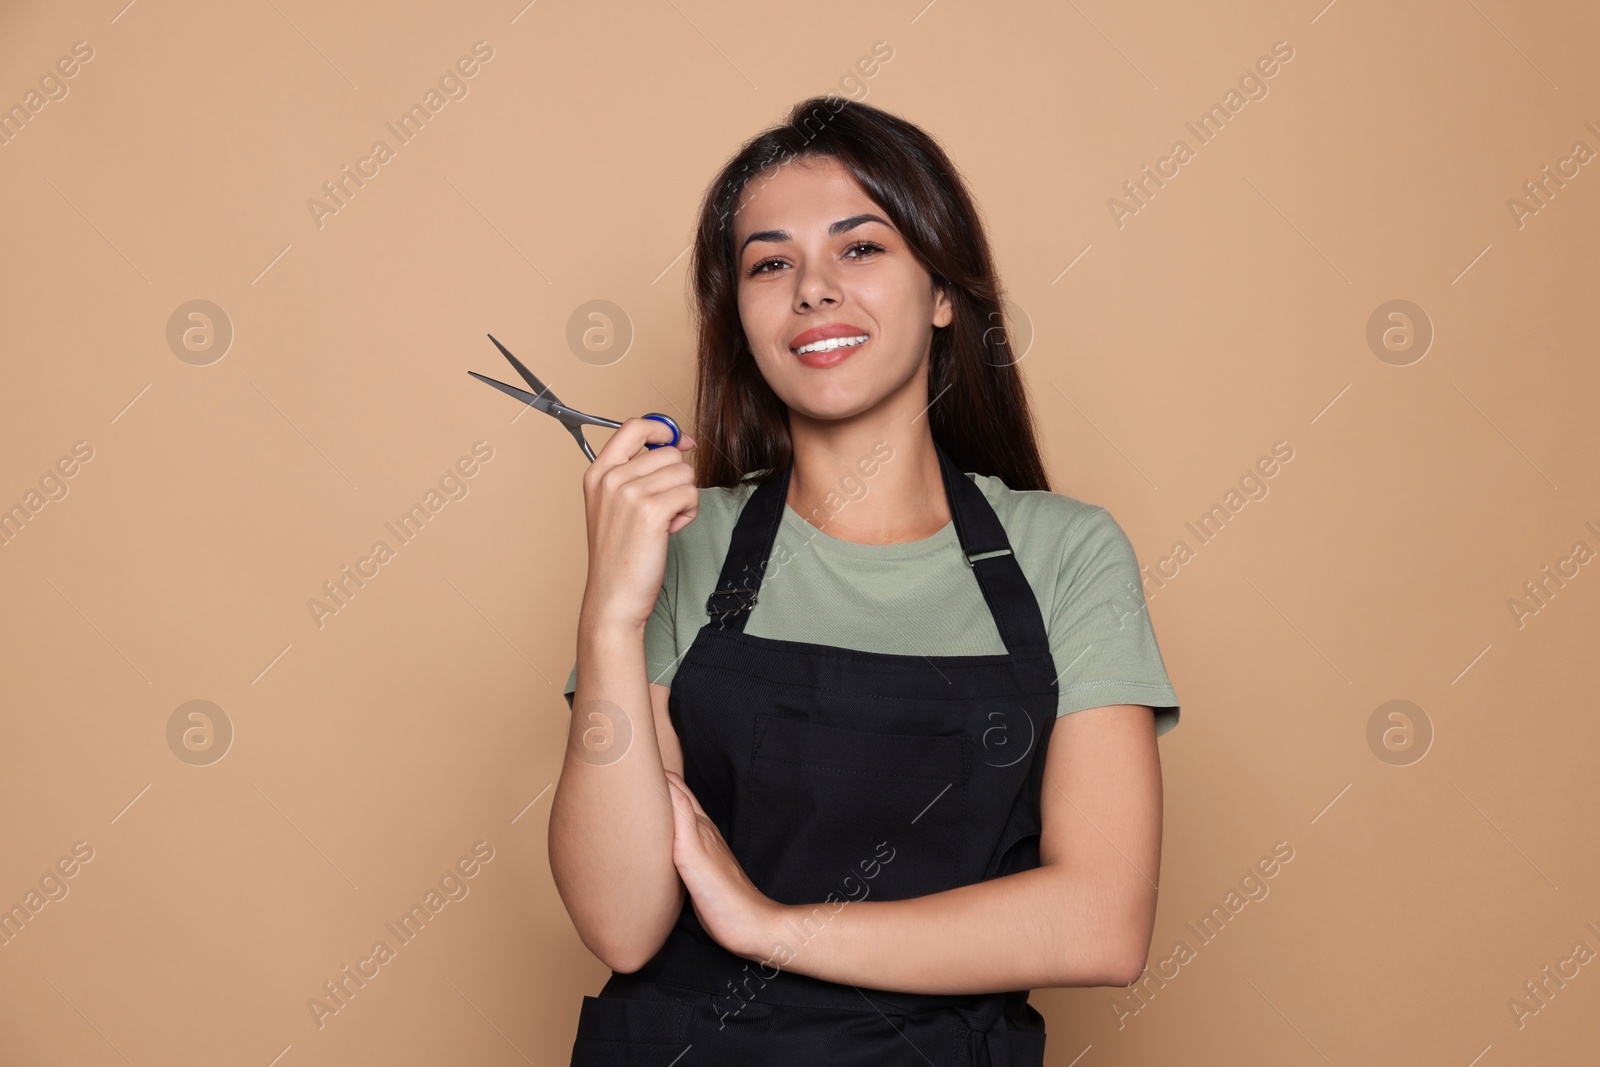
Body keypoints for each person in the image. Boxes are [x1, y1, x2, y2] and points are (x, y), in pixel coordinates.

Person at [549, 96, 1180, 1066]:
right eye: (770, 262)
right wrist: (609, 616)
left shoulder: (1068, 554)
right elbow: (622, 921)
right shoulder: (686, 539)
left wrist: (771, 927)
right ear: (742, 318)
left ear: (940, 290)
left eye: (860, 248)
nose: (811, 289)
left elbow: (1100, 921)